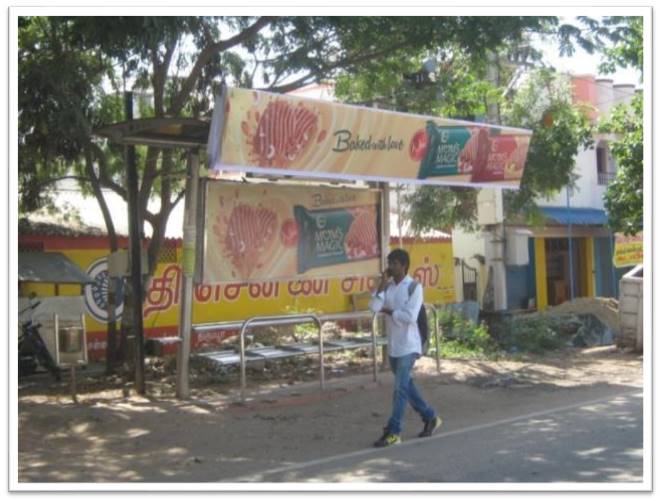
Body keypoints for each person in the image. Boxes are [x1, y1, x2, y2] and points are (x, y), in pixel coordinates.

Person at [369, 248, 442, 447]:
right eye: (389, 263)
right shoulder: (388, 287)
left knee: (399, 390)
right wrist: (382, 285)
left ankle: (394, 431)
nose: (389, 267)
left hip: (409, 345)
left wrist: (391, 312)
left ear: (403, 266)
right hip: (394, 345)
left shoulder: (414, 287)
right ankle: (431, 417)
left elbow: (410, 317)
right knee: (406, 387)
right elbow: (374, 308)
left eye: (393, 263)